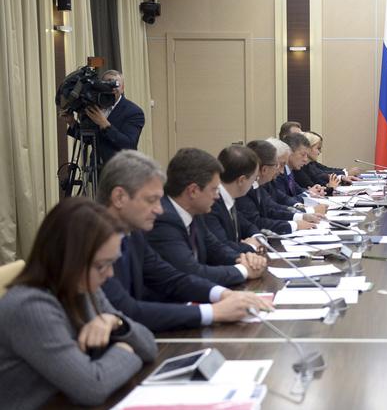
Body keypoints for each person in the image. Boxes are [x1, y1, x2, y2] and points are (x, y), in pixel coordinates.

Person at [0, 198, 157, 409]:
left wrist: (114, 322)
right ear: (67, 259)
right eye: (101, 265)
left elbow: (149, 347)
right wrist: (126, 350)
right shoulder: (30, 307)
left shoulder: (82, 288)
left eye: (112, 263)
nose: (110, 274)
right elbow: (92, 387)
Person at [98, 151, 270, 332]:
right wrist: (214, 312)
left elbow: (170, 278)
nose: (159, 210)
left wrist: (224, 294)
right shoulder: (92, 242)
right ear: (119, 198)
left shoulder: (132, 234)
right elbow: (126, 310)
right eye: (151, 200)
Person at [146, 148, 266, 287]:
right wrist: (243, 270)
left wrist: (245, 259)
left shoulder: (195, 212)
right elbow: (191, 271)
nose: (217, 196)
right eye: (214, 189)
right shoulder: (164, 220)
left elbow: (215, 249)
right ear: (193, 191)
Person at [62, 70, 145, 167]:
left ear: (123, 88)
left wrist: (104, 124)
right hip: (96, 169)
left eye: (116, 84)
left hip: (121, 169)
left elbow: (129, 145)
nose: (112, 88)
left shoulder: (133, 111)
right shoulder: (95, 106)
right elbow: (89, 138)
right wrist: (72, 122)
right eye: (106, 84)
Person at [237, 140, 321, 234]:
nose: (281, 171)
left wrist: (301, 216)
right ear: (264, 169)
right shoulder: (245, 188)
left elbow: (271, 208)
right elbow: (256, 222)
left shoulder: (257, 184)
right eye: (278, 165)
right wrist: (294, 225)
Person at [205, 145, 265, 253]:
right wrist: (251, 246)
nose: (254, 182)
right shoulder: (211, 203)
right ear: (241, 180)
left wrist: (257, 237)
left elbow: (247, 226)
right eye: (254, 178)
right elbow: (221, 247)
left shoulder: (229, 198)